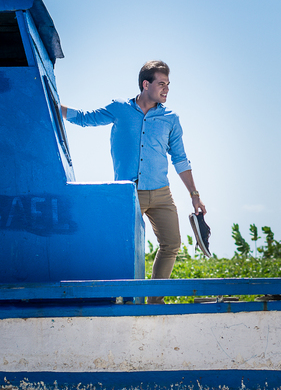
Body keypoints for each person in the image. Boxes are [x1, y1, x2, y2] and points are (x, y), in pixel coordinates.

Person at [61, 61, 206, 294]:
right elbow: (86, 118)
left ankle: (155, 301)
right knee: (122, 245)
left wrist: (194, 195)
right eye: (161, 84)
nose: (167, 89)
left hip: (161, 194)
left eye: (168, 84)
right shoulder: (120, 108)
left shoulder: (171, 118)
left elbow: (180, 159)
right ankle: (122, 299)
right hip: (129, 194)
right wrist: (53, 105)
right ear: (146, 84)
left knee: (171, 244)